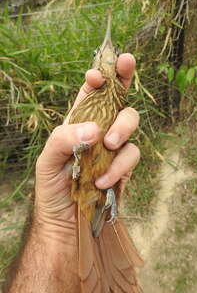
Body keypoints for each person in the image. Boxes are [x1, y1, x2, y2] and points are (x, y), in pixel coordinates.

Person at [4, 53, 140, 293]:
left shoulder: (113, 96)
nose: (105, 56)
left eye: (110, 54)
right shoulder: (94, 96)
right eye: (99, 55)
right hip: (80, 188)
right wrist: (54, 228)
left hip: (96, 188)